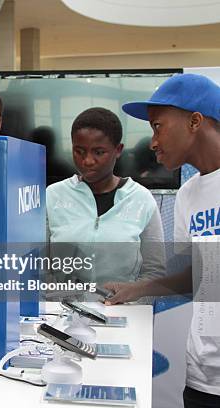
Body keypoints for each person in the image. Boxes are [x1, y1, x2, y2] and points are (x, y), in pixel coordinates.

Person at [104, 73, 220, 408]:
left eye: (158, 126)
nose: (153, 141)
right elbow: (192, 277)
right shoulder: (188, 195)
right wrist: (137, 289)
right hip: (203, 376)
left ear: (195, 121)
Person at [46, 107, 165, 287]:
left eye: (99, 152)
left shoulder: (141, 199)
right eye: (79, 151)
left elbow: (154, 271)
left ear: (118, 150)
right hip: (62, 310)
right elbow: (37, 264)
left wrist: (128, 302)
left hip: (122, 310)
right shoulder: (53, 196)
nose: (87, 161)